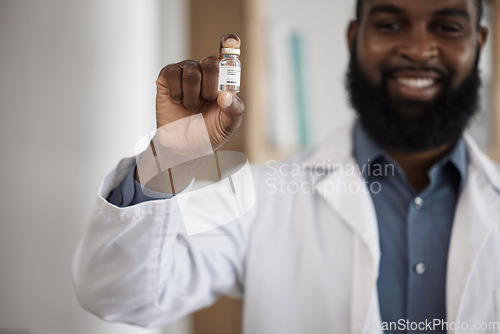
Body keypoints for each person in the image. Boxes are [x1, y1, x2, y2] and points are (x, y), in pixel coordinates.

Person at [73, 0, 500, 333]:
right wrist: (167, 163)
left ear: (480, 43)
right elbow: (121, 295)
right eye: (390, 24)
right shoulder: (262, 197)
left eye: (447, 27)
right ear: (354, 38)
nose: (418, 48)